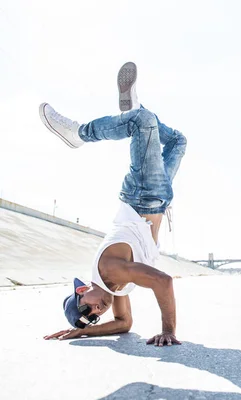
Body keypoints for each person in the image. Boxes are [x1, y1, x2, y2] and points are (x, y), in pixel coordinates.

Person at [41, 62, 187, 346]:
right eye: (93, 317)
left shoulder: (110, 272)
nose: (97, 311)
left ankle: (79, 133)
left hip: (142, 196)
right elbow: (124, 324)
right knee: (178, 142)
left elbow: (163, 282)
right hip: (157, 200)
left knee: (141, 122)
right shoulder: (114, 290)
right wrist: (82, 331)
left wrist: (168, 330)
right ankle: (133, 107)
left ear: (82, 290)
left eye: (87, 309)